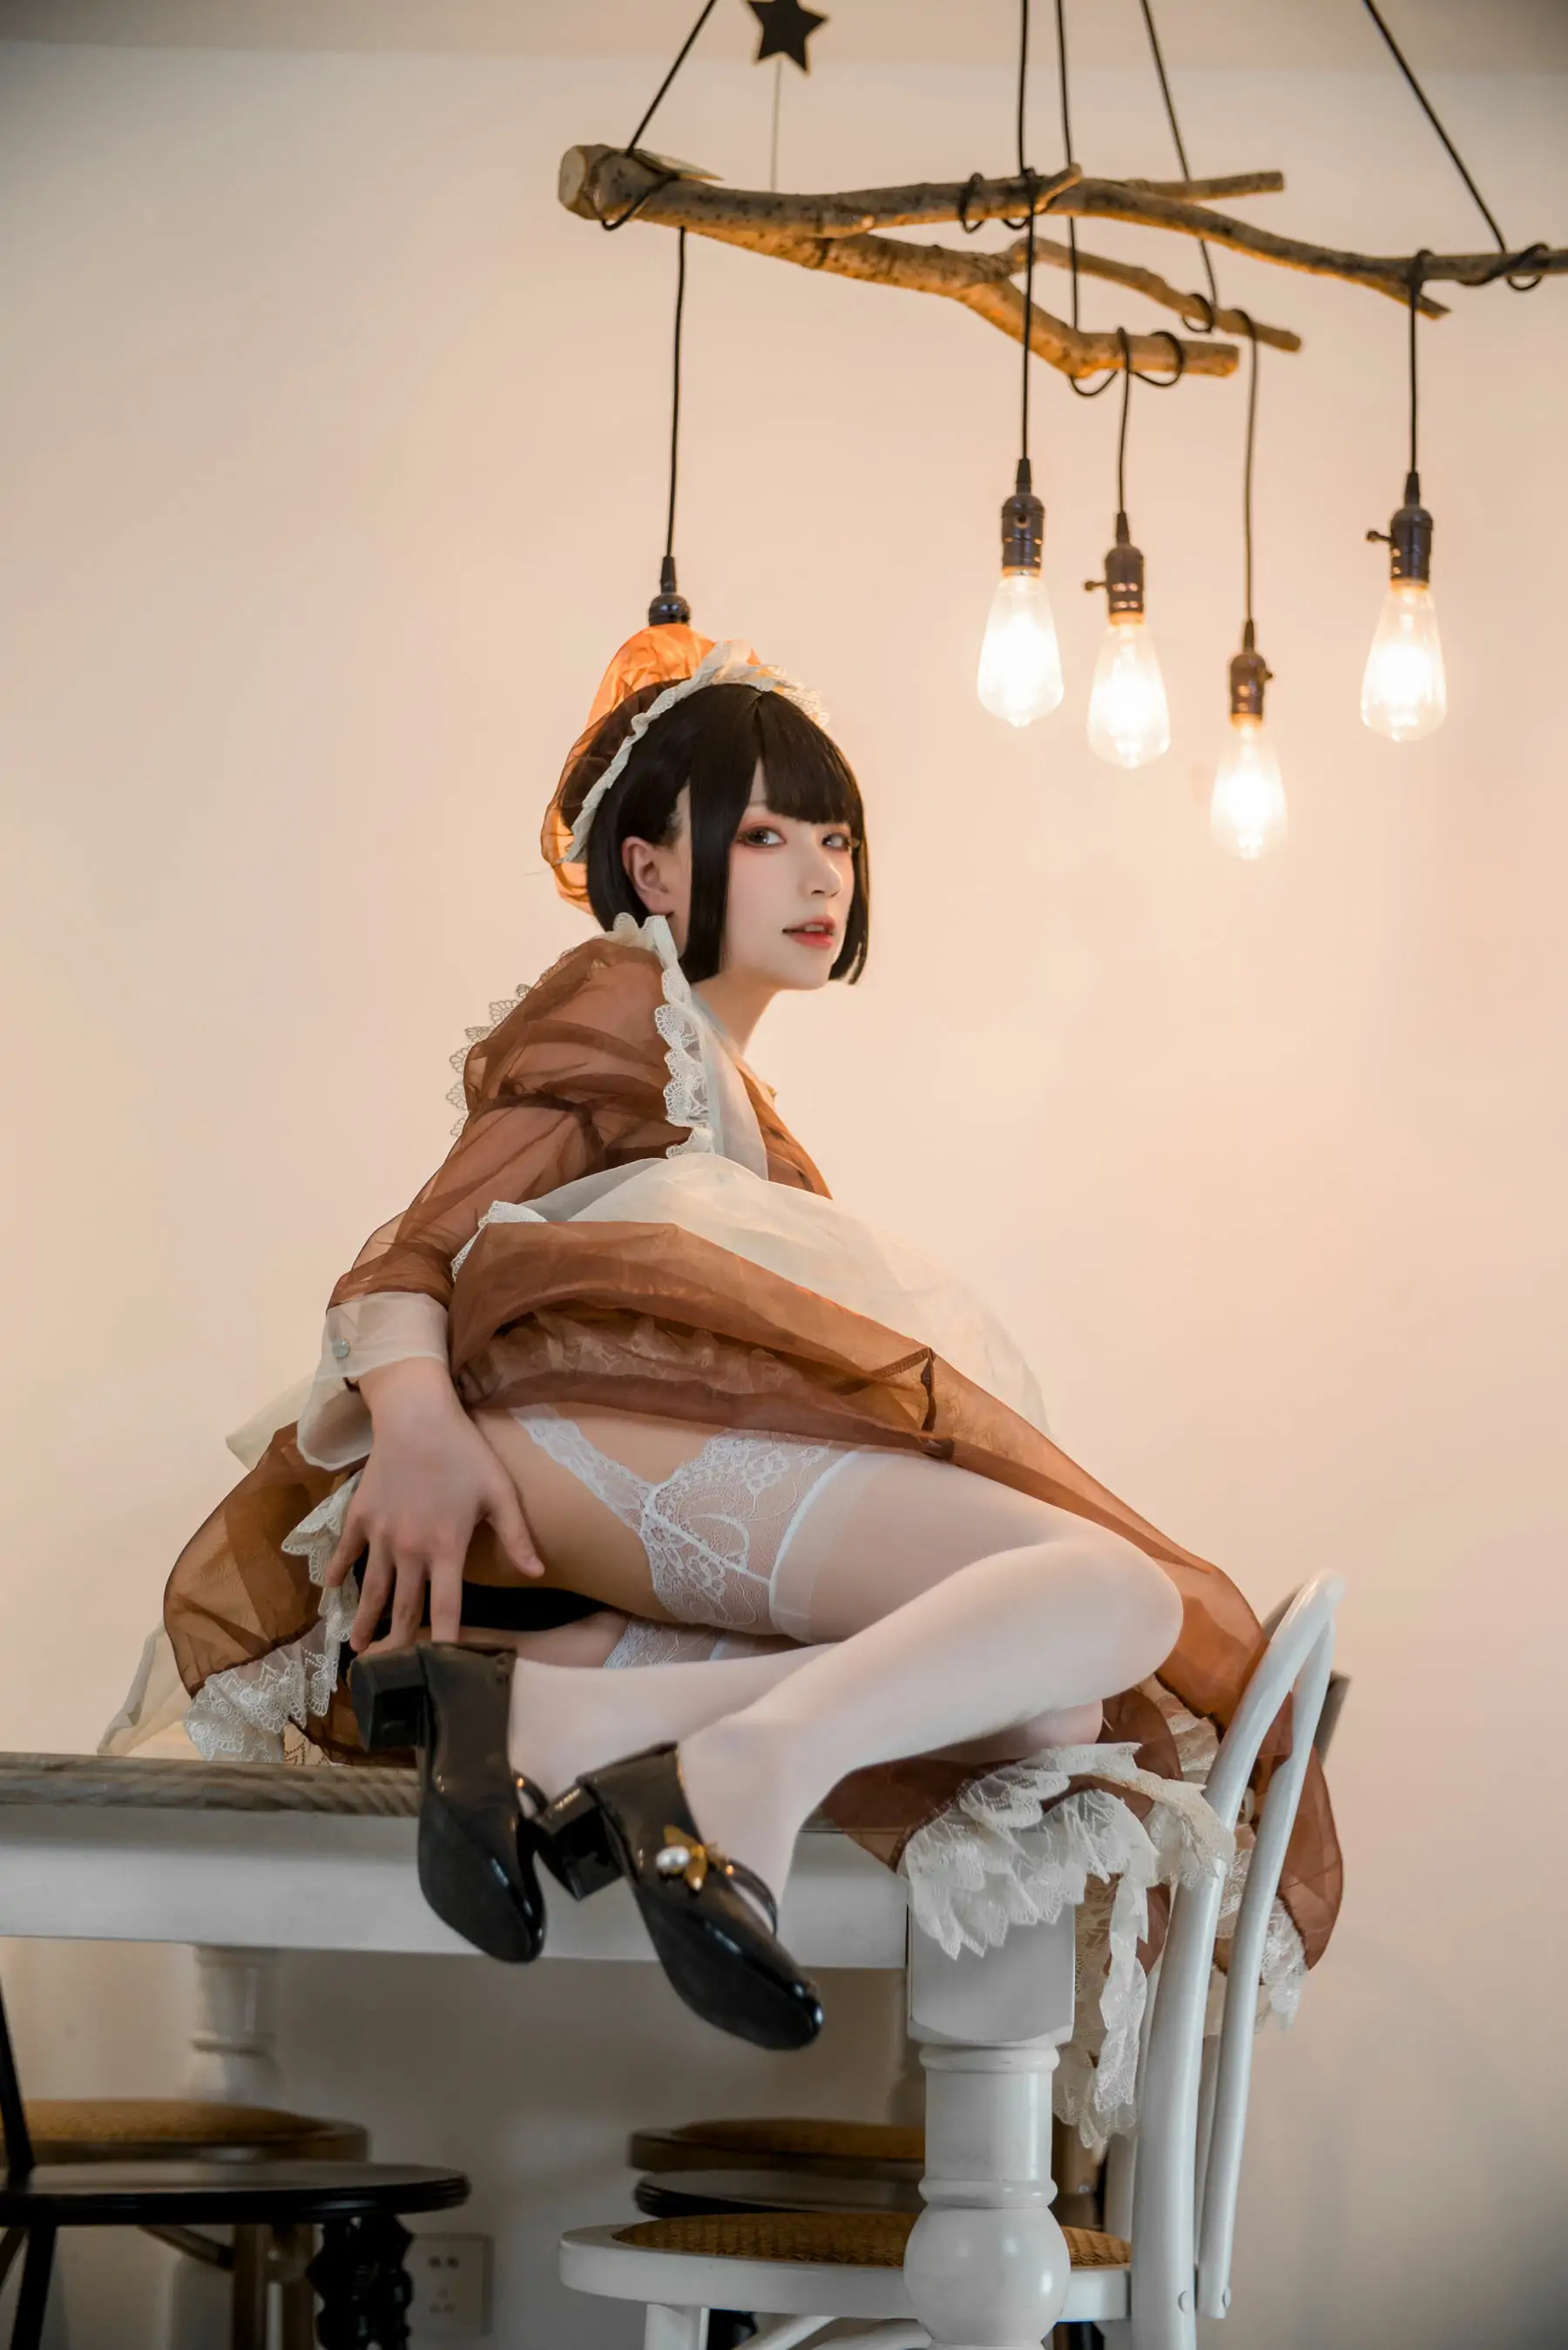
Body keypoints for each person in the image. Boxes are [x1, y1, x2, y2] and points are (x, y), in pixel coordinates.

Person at [163, 625, 1340, 2050]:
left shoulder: (727, 1098)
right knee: (1122, 1600)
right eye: (769, 834)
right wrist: (414, 1425)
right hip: (541, 1460)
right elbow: (418, 1246)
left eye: (836, 839)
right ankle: (723, 1773)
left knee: (1042, 1712)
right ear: (652, 871)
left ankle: (574, 1722)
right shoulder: (620, 995)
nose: (823, 874)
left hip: (602, 1469)